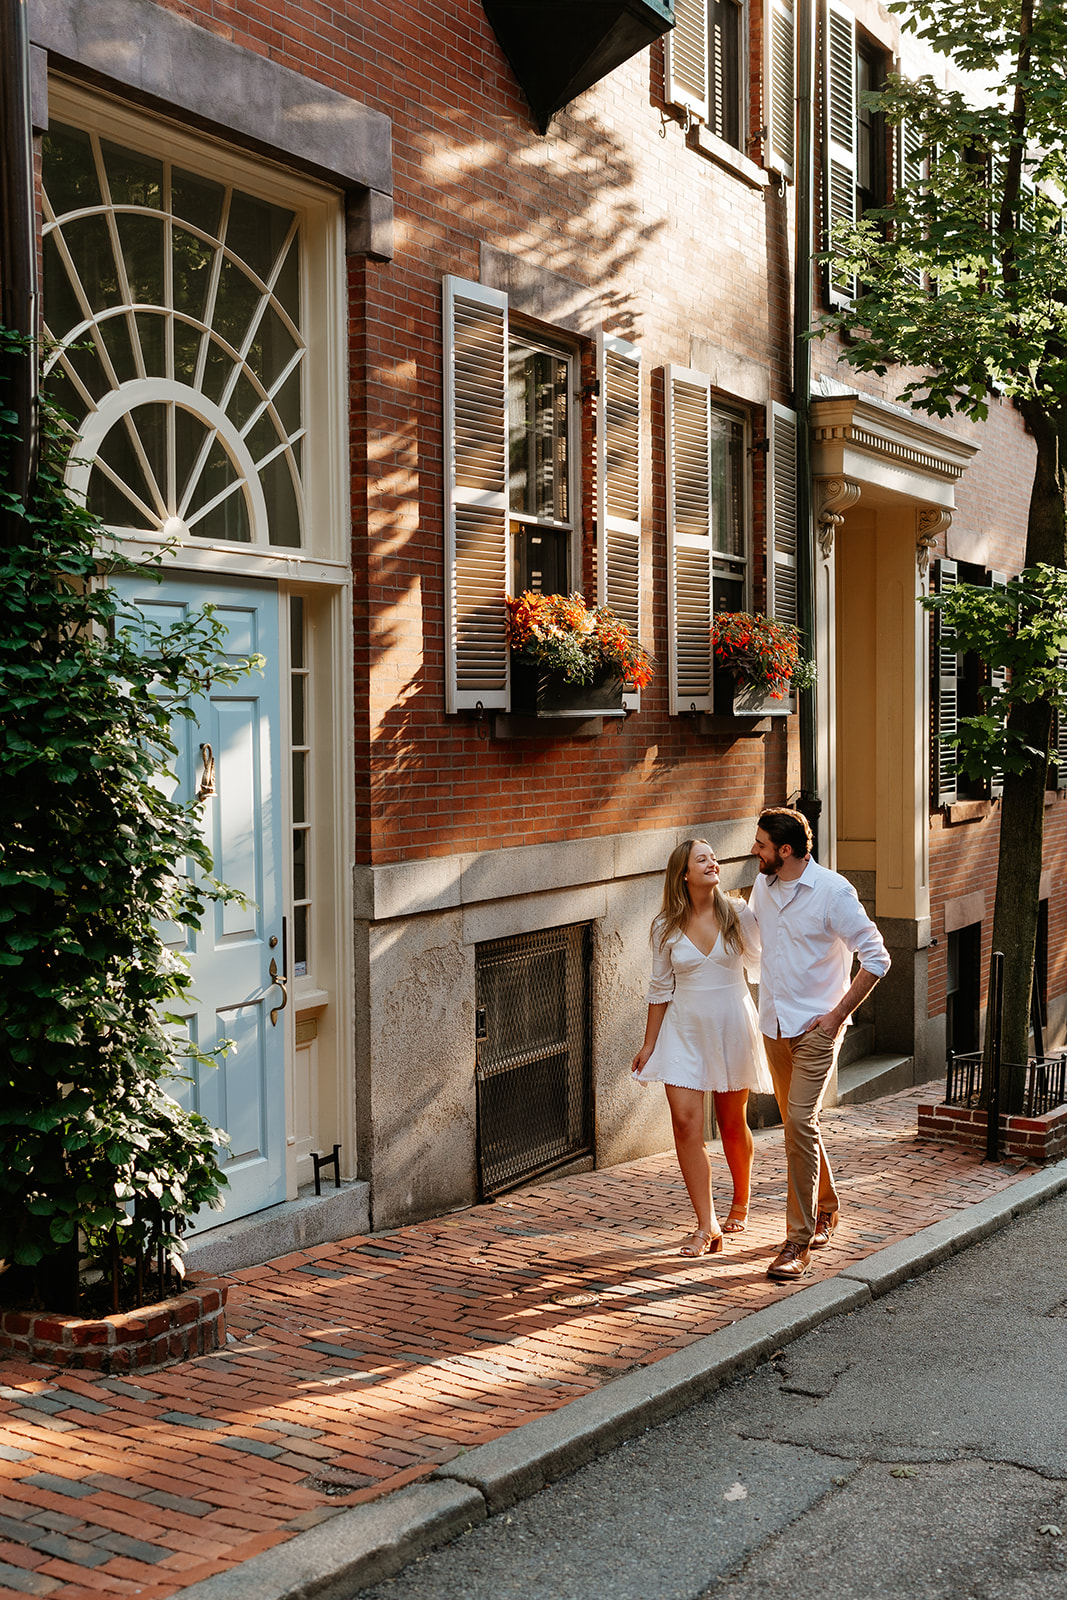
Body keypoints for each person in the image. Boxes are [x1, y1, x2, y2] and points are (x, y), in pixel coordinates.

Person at [749, 806, 891, 1282]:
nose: (755, 851)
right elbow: (751, 939)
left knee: (798, 1124)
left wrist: (835, 1017)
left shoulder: (833, 892)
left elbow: (877, 957)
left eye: (762, 845)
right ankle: (828, 1206)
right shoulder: (763, 888)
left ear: (784, 851)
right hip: (774, 1027)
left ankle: (797, 1241)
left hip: (815, 1032)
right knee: (798, 1125)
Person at [631, 837, 773, 1257]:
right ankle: (706, 1224)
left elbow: (765, 963)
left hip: (731, 1024)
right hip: (684, 1030)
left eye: (714, 857)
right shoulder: (665, 926)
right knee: (686, 1127)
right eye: (702, 859)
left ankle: (741, 1200)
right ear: (684, 874)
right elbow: (660, 990)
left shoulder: (739, 913)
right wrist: (649, 1044)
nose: (713, 863)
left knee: (731, 1124)